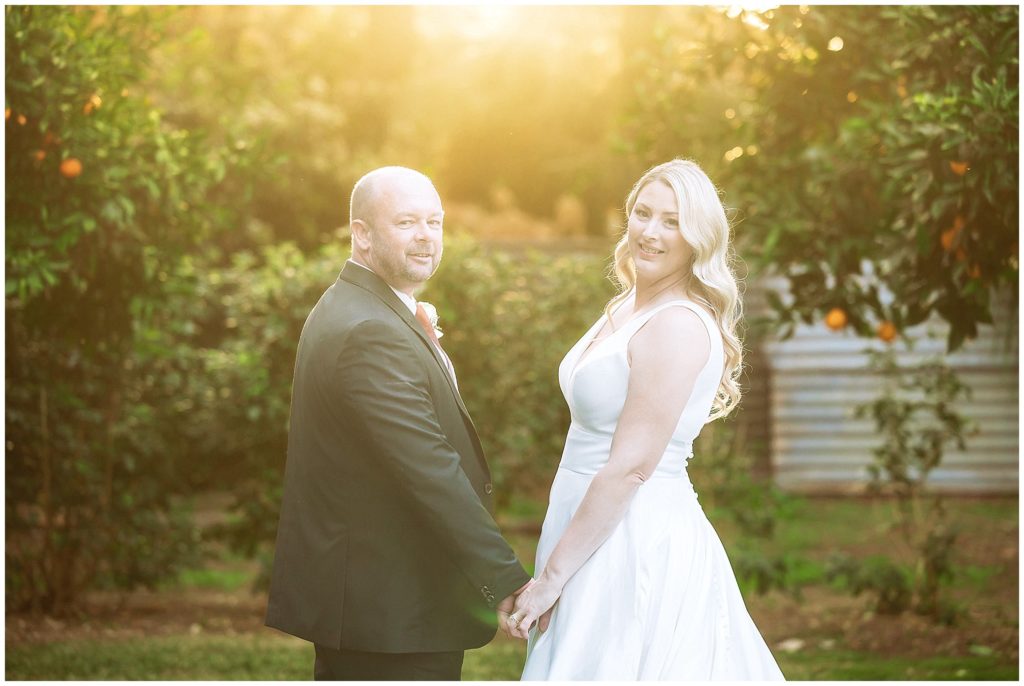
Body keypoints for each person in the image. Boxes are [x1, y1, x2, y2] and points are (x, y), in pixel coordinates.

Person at [508, 159, 785, 680]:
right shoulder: (624, 308)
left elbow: (632, 466)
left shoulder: (676, 324)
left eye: (672, 221)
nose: (650, 232)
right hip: (584, 520)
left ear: (697, 237)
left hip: (632, 535)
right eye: (643, 213)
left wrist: (553, 576)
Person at [265, 166, 532, 681]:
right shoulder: (369, 330)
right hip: (389, 610)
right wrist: (503, 579)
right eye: (407, 222)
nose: (426, 236)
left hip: (381, 605)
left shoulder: (360, 307)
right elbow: (427, 465)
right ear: (362, 234)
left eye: (435, 222)